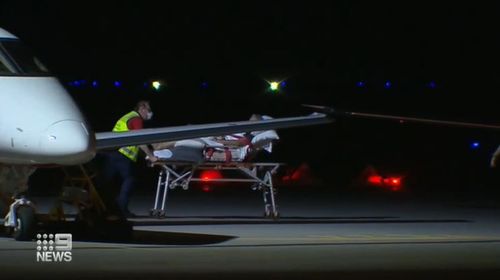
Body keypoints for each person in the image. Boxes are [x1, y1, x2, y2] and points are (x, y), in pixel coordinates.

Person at [100, 100, 158, 217]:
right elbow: (140, 140)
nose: (150, 113)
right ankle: (121, 209)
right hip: (122, 154)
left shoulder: (128, 117)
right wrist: (151, 156)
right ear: (142, 109)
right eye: (149, 110)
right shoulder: (136, 119)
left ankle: (102, 208)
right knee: (130, 180)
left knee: (106, 182)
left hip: (112, 152)